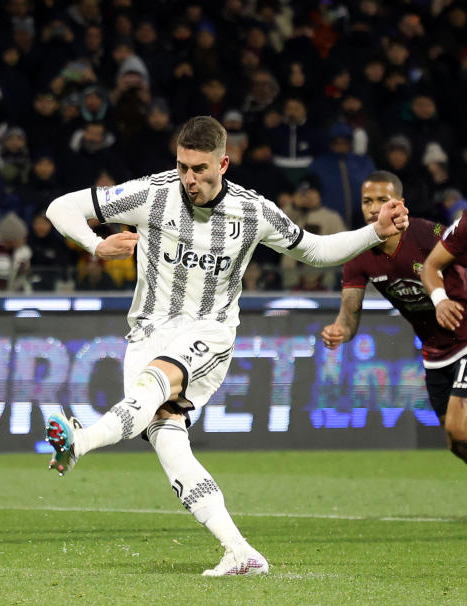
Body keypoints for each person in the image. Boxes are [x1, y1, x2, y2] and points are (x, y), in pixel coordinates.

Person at [43, 116, 409, 577]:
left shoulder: (253, 211)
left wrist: (375, 231)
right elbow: (60, 208)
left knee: (155, 385)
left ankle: (80, 440)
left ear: (224, 163)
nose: (189, 179)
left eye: (200, 169)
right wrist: (97, 246)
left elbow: (314, 250)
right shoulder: (152, 193)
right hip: (147, 330)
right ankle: (239, 551)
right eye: (182, 167)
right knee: (169, 441)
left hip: (209, 331)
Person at [322, 171, 467, 465]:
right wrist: (339, 330)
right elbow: (349, 317)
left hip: (465, 339)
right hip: (435, 353)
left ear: (400, 204)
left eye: (382, 200)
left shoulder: (428, 234)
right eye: (367, 201)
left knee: (459, 427)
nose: (374, 208)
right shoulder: (357, 253)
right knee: (454, 443)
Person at [417, 188, 467, 465]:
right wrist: (441, 300)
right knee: (456, 442)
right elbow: (430, 267)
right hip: (453, 337)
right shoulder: (464, 225)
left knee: (459, 428)